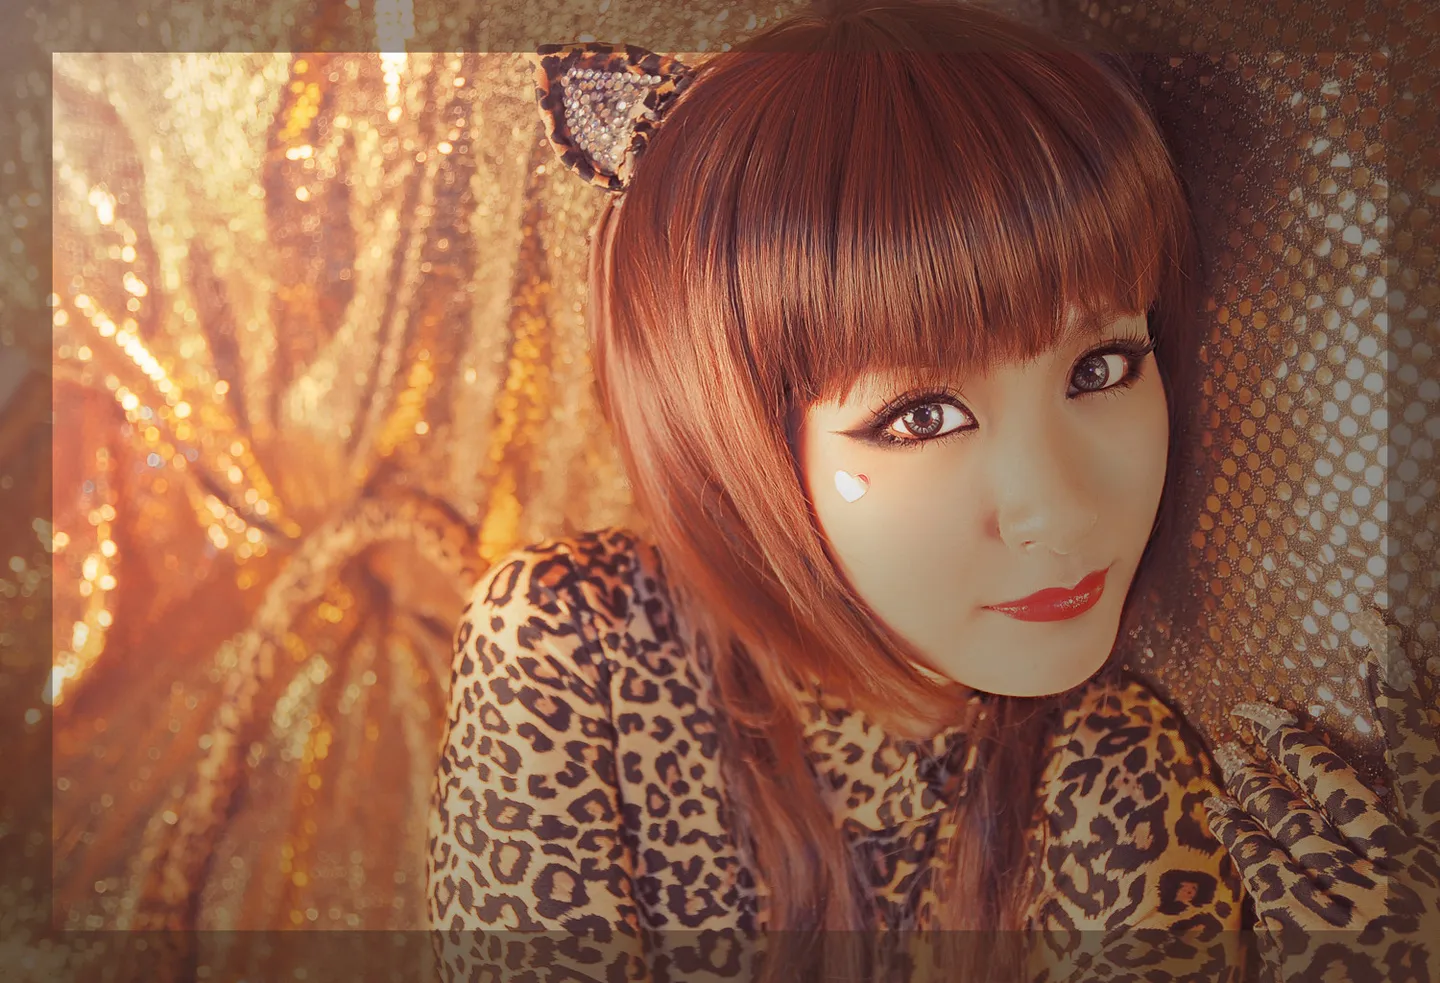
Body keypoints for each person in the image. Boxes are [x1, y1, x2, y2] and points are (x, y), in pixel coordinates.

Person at [426, 1, 1438, 981]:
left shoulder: (1118, 771)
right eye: (922, 418)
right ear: (732, 445)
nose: (1060, 511)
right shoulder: (576, 646)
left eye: (1101, 368)